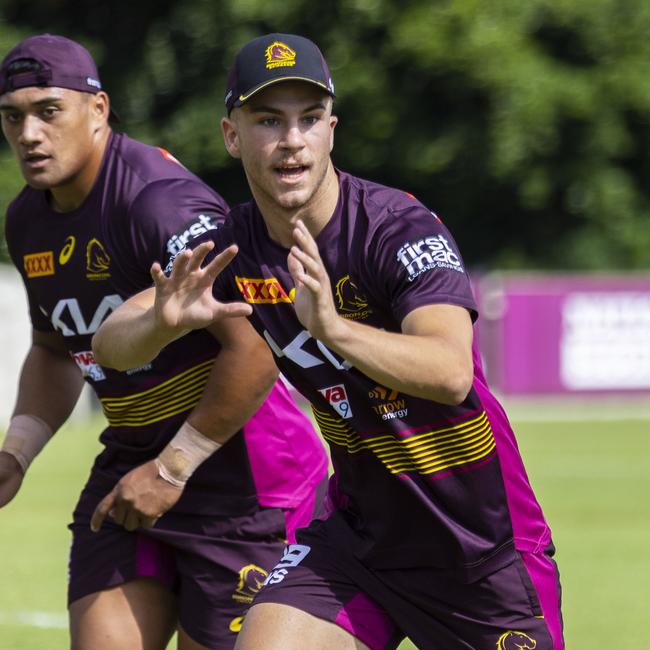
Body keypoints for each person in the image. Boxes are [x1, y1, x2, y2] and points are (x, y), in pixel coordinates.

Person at [93, 33, 564, 650]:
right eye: (268, 120)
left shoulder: (398, 229)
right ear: (232, 136)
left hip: (477, 545)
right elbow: (111, 346)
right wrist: (162, 317)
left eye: (309, 119)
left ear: (331, 131)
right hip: (356, 539)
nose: (292, 140)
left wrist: (334, 328)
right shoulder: (233, 245)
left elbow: (449, 371)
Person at [0, 34, 329, 650]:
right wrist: (16, 450)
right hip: (133, 465)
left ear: (97, 111)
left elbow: (256, 342)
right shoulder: (26, 218)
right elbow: (53, 348)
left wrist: (174, 468)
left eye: (48, 110)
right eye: (12, 115)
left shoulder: (160, 204)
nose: (29, 133)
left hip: (246, 482)